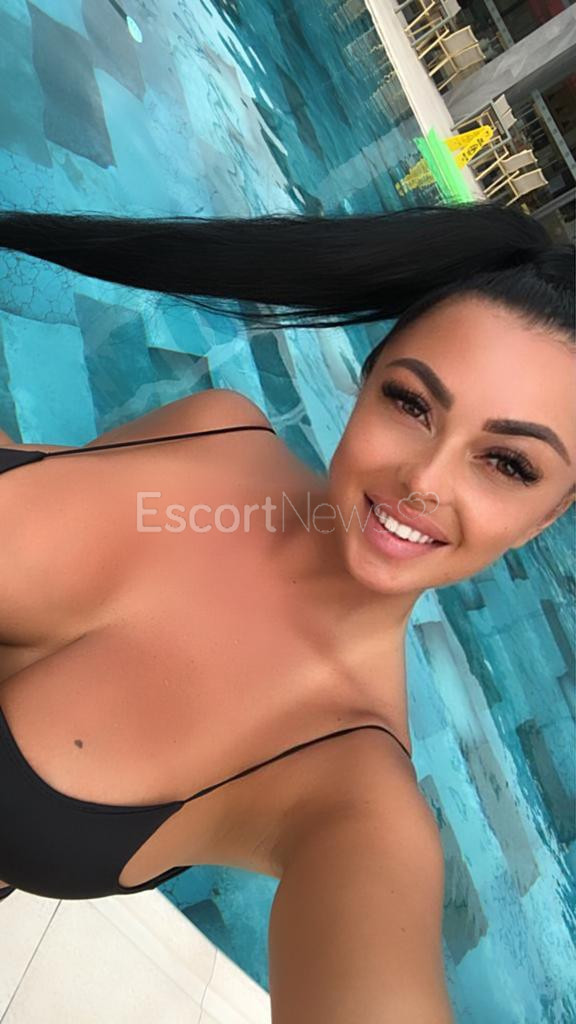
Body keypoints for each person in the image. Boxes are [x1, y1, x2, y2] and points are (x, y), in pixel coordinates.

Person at [0, 202, 574, 1022]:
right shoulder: (215, 427)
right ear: (366, 381)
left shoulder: (350, 795)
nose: (425, 481)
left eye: (509, 464)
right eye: (412, 404)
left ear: (549, 515)